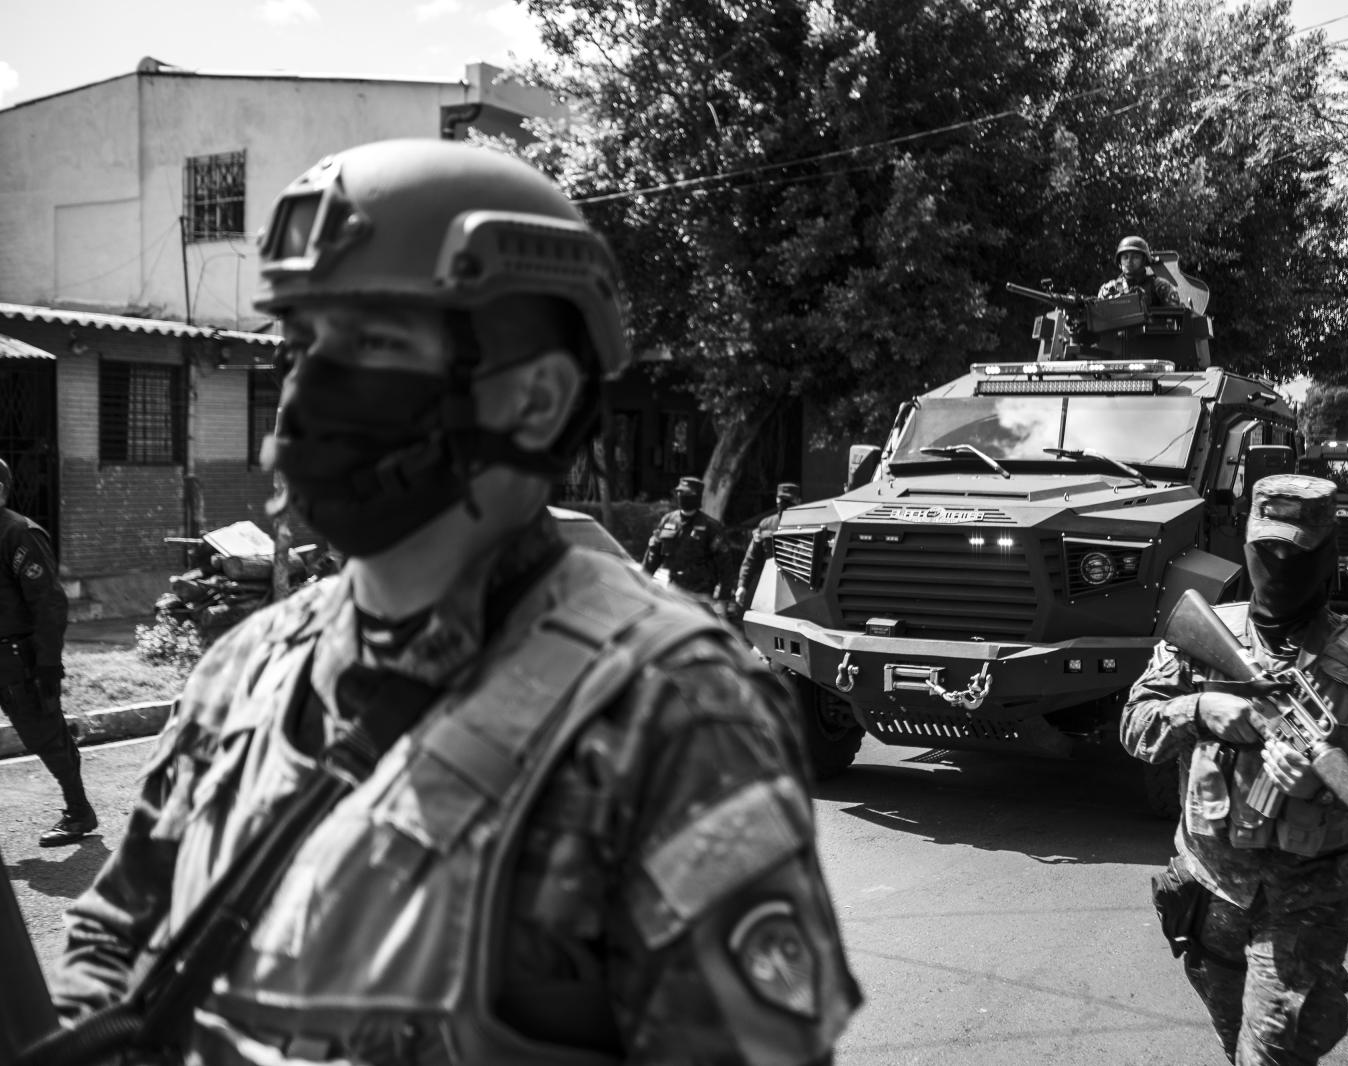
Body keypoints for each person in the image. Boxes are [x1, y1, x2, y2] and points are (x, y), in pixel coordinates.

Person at [52, 139, 859, 1064]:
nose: (307, 387)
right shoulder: (246, 670)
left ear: (536, 399)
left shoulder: (670, 717)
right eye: (299, 341)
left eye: (373, 344)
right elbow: (115, 936)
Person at [1123, 474, 1348, 1066]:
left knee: (1274, 1054)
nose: (1280, 563)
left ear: (1327, 556)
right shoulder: (1202, 636)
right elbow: (1136, 728)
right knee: (1234, 1040)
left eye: (1298, 553)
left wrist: (1333, 782)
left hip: (1305, 906)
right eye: (1267, 550)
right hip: (1208, 891)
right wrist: (1199, 709)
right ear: (1246, 547)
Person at [0, 457, 96, 847]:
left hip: (15, 659)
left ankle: (78, 812)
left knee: (44, 737)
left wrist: (48, 666)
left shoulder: (19, 534)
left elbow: (50, 605)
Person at [642, 475, 735, 609]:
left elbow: (725, 566)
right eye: (679, 492)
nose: (681, 495)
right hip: (673, 591)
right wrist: (642, 584)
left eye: (686, 493)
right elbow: (652, 556)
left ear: (697, 496)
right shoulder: (668, 521)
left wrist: (723, 599)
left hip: (701, 596)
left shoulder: (711, 527)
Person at [735, 482, 802, 612]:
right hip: (769, 588)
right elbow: (751, 557)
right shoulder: (766, 524)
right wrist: (742, 585)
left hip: (796, 589)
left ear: (798, 501)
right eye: (781, 500)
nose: (784, 504)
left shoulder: (807, 523)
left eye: (789, 500)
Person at [1096, 235, 1181, 307]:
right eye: (1125, 257)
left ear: (1144, 260)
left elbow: (1176, 315)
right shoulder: (1110, 289)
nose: (1129, 261)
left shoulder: (1160, 286)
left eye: (1135, 257)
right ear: (1119, 261)